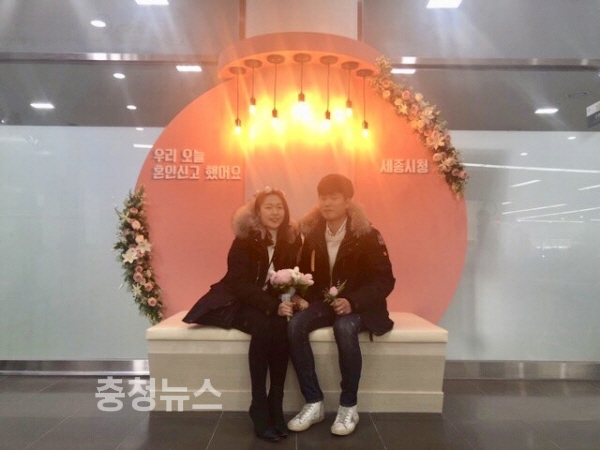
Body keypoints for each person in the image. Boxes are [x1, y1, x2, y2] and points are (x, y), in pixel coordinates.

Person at [278, 174, 395, 436]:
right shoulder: (313, 234)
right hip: (324, 302)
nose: (327, 203)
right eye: (323, 197)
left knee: (344, 327)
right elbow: (307, 273)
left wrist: (353, 301)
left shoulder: (367, 235)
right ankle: (313, 402)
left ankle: (348, 406)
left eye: (333, 197)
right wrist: (299, 295)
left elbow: (385, 280)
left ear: (347, 201)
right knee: (295, 325)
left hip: (362, 306)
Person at [183, 187, 301, 442]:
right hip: (237, 301)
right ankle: (258, 405)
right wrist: (272, 305)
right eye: (268, 207)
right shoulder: (245, 239)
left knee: (282, 328)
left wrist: (290, 299)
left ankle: (275, 403)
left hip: (267, 301)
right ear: (258, 211)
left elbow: (290, 275)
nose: (275, 212)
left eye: (279, 207)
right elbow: (239, 283)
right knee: (263, 327)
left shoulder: (290, 240)